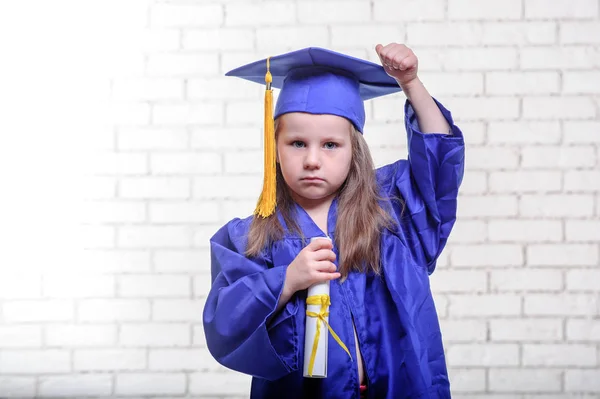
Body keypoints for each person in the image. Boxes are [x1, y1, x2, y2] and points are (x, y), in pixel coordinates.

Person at [203, 43, 465, 398]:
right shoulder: (251, 237)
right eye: (297, 143)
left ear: (353, 150)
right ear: (275, 150)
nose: (312, 159)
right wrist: (286, 280)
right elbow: (225, 323)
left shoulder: (391, 212)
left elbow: (438, 166)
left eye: (330, 145)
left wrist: (411, 83)